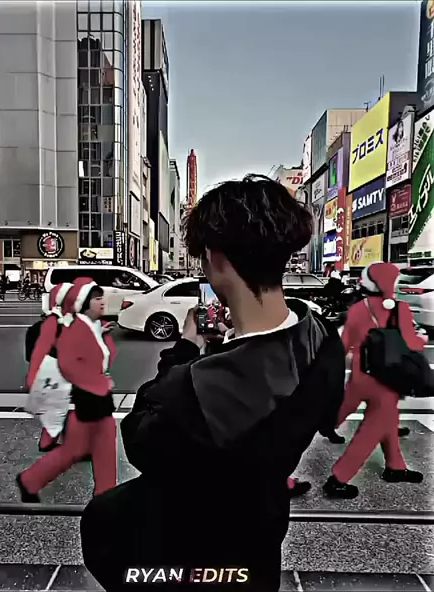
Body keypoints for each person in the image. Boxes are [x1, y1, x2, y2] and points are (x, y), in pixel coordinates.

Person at [80, 175, 346, 591]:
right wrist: (230, 344)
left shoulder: (194, 388)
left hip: (186, 553)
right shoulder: (322, 337)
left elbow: (140, 440)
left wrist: (186, 349)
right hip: (260, 538)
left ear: (216, 257)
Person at [323, 262, 426, 500]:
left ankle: (395, 466)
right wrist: (422, 338)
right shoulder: (400, 310)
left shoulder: (358, 309)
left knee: (386, 419)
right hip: (385, 382)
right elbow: (412, 343)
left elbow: (344, 344)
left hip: (360, 376)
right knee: (371, 431)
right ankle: (338, 479)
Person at [16, 277, 118, 503]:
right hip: (89, 397)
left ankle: (106, 496)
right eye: (96, 299)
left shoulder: (90, 326)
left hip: (95, 398)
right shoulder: (75, 327)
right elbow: (69, 364)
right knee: (83, 448)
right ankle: (32, 480)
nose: (102, 302)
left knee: (96, 447)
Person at [26, 282, 73, 452]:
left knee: (57, 411)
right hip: (61, 378)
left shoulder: (37, 328)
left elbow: (29, 356)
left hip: (45, 378)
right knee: (65, 410)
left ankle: (50, 442)